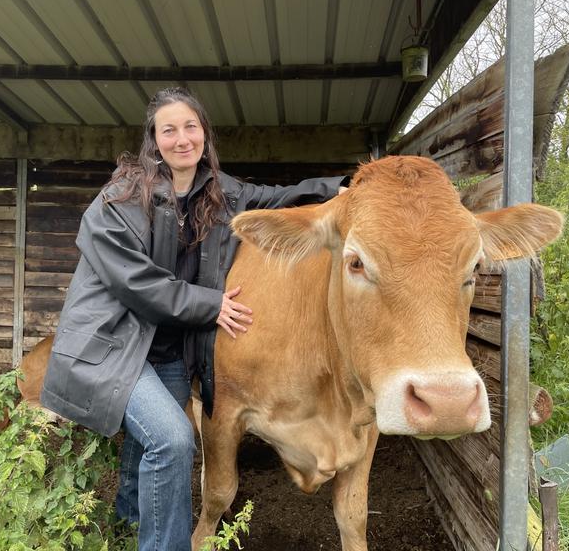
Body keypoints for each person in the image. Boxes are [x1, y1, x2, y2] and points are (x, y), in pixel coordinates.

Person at [40, 87, 348, 551]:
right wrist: (212, 305)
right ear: (154, 139)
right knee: (173, 441)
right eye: (169, 130)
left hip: (169, 350)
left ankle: (127, 521)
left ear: (203, 132)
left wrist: (342, 190)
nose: (182, 139)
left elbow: (282, 197)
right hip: (113, 346)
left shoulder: (223, 195)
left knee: (147, 443)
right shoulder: (119, 198)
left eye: (191, 127)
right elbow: (135, 283)